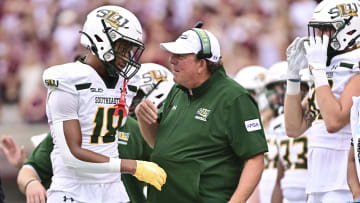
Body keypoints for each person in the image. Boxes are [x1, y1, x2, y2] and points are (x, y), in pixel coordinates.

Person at [41, 5, 166, 203]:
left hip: (112, 189)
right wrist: (134, 166)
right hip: (74, 190)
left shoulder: (127, 82)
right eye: (123, 47)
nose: (128, 56)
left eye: (130, 49)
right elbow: (72, 157)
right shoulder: (67, 80)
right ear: (101, 39)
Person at [135, 27, 268, 203]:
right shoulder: (178, 90)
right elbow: (158, 144)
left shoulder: (234, 98)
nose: (171, 60)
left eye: (180, 56)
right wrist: (144, 120)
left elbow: (255, 158)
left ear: (201, 64)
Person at [15, 63, 174, 203]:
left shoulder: (139, 133)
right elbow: (31, 171)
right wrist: (31, 182)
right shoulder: (76, 122)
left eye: (134, 93)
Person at [284, 0, 360, 201]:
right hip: (317, 180)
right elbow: (294, 128)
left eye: (326, 30)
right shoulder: (328, 64)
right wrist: (293, 77)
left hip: (344, 182)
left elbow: (334, 122)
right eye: (318, 30)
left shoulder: (356, 64)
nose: (319, 37)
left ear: (350, 29)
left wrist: (318, 71)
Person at [265, 62, 310, 203]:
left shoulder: (315, 119)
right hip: (288, 193)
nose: (279, 95)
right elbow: (280, 175)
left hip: (313, 190)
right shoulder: (278, 123)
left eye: (282, 87)